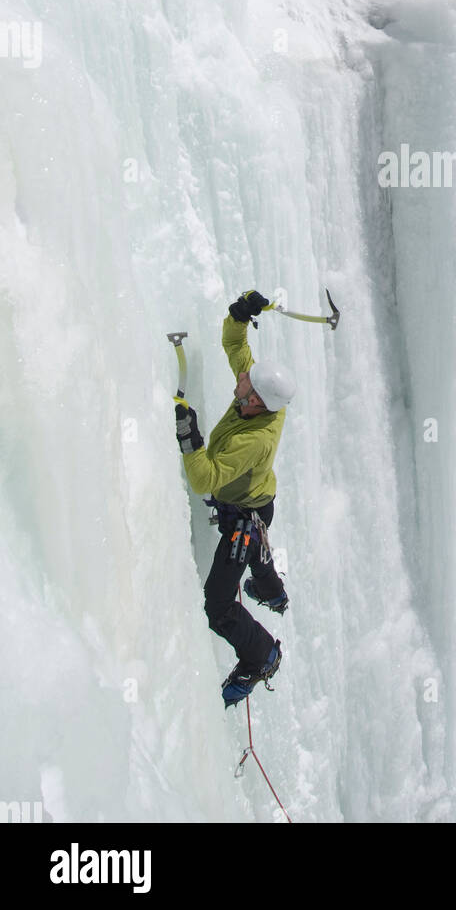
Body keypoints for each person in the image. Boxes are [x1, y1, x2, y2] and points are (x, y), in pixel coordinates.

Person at [175, 289, 295, 707]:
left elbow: (205, 477)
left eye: (245, 380)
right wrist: (240, 313)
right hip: (255, 507)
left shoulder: (254, 440)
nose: (239, 377)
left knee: (219, 602)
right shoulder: (258, 396)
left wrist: (189, 439)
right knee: (257, 556)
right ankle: (272, 591)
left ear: (256, 400)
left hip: (245, 518)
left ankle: (262, 654)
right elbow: (235, 344)